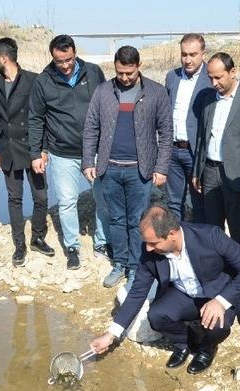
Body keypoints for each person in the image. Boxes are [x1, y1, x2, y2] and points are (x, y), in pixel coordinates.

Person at [90, 206, 240, 375]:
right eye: (146, 242)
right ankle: (184, 343)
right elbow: (137, 292)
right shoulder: (150, 250)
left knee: (217, 326)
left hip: (218, 293)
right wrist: (110, 335)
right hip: (183, 294)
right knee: (156, 316)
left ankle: (207, 348)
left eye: (153, 243)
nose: (148, 248)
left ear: (172, 234)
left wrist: (221, 301)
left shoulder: (210, 236)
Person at [83, 46, 172, 289]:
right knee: (116, 219)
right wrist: (88, 161)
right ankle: (119, 264)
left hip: (139, 170)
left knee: (136, 220)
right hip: (109, 168)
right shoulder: (103, 91)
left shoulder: (156, 92)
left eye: (129, 73)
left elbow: (166, 133)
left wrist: (161, 167)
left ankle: (135, 267)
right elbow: (91, 128)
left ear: (139, 66)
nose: (124, 78)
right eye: (120, 72)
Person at [28, 34, 110, 270]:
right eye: (59, 61)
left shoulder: (93, 72)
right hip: (62, 152)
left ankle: (102, 243)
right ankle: (72, 247)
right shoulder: (43, 81)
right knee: (66, 202)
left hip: (95, 150)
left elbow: (107, 105)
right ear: (52, 58)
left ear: (75, 53)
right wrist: (36, 152)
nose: (65, 65)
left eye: (69, 60)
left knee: (103, 197)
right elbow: (36, 119)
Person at [191, 52, 240, 249]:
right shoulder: (208, 99)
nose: (214, 83)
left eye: (218, 77)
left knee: (238, 228)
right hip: (210, 171)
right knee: (213, 226)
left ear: (232, 72)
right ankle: (218, 264)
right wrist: (197, 171)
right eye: (210, 78)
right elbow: (202, 137)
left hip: (237, 175)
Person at [0, 37, 55, 267]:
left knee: (41, 196)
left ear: (4, 58)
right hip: (7, 149)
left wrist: (44, 149)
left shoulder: (33, 80)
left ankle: (37, 237)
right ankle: (19, 246)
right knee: (14, 198)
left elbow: (43, 118)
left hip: (32, 148)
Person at [165, 33, 211, 222]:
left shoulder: (211, 78)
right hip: (172, 151)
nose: (188, 60)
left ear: (203, 54)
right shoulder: (172, 77)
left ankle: (199, 239)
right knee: (174, 203)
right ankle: (177, 238)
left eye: (193, 54)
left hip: (196, 153)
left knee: (200, 203)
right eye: (184, 54)